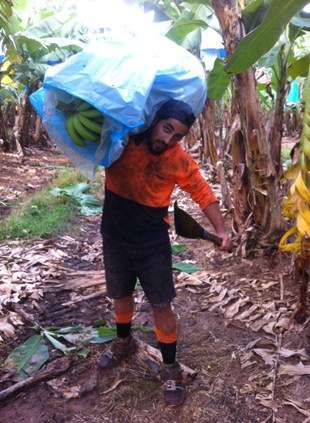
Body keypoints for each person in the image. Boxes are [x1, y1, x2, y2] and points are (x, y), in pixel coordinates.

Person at [98, 99, 232, 406]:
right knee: (120, 295)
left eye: (178, 136)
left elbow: (202, 191)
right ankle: (123, 343)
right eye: (167, 129)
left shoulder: (177, 159)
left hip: (151, 244)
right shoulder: (121, 140)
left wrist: (221, 230)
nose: (168, 140)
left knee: (161, 305)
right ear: (155, 119)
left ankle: (170, 368)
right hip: (114, 236)